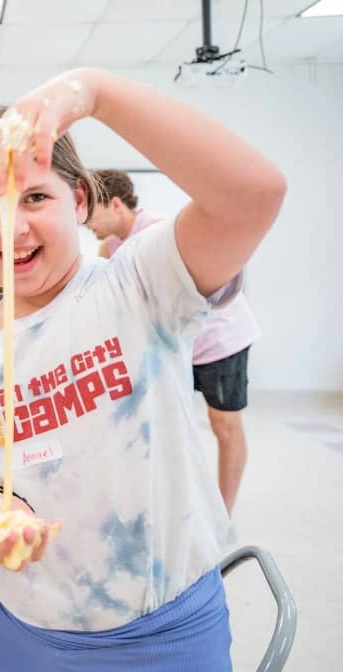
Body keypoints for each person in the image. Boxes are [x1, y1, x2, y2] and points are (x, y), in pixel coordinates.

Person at [0, 67, 285, 670]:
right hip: (29, 634)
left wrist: (93, 91)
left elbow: (255, 192)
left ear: (82, 200)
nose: (11, 225)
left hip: (167, 633)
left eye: (35, 196)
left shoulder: (142, 282)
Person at [87, 168, 260, 514]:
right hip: (174, 345)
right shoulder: (110, 245)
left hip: (218, 338)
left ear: (116, 205)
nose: (85, 222)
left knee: (224, 425)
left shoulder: (160, 230)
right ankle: (175, 502)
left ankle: (223, 513)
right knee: (167, 422)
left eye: (91, 212)